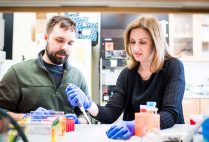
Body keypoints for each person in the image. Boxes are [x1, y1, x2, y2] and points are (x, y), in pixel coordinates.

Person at [66, 16, 185, 139]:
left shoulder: (173, 66)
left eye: (142, 42)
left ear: (156, 43)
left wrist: (136, 125)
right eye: (132, 42)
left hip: (168, 138)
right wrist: (88, 103)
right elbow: (110, 113)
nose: (135, 48)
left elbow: (170, 114)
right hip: (137, 138)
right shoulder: (127, 74)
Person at [0, 15, 89, 124]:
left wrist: (79, 121)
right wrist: (27, 117)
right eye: (59, 40)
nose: (65, 47)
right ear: (46, 38)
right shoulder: (17, 73)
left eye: (70, 43)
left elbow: (87, 114)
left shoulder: (78, 77)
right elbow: (1, 113)